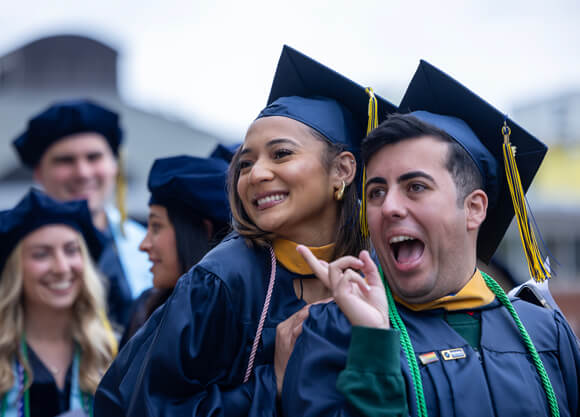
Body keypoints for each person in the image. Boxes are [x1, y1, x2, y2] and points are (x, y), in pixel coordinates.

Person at [93, 44, 396, 416]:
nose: (256, 174)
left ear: (344, 170)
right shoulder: (222, 281)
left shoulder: (379, 273)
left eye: (281, 154)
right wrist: (273, 385)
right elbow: (151, 407)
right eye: (246, 162)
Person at [282, 60, 580, 417]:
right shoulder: (334, 331)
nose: (388, 206)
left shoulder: (544, 331)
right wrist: (373, 345)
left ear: (474, 209)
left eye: (416, 187)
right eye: (376, 192)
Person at [12, 99, 152, 327]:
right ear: (38, 172)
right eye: (65, 160)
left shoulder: (146, 246)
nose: (82, 172)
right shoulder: (12, 249)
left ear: (114, 165)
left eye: (93, 157)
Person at [0, 189, 117, 417]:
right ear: (15, 270)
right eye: (41, 254)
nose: (62, 267)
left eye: (72, 251)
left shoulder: (111, 352)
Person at [119, 154, 231, 347]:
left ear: (204, 230)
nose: (143, 244)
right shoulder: (145, 308)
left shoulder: (234, 323)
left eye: (156, 226)